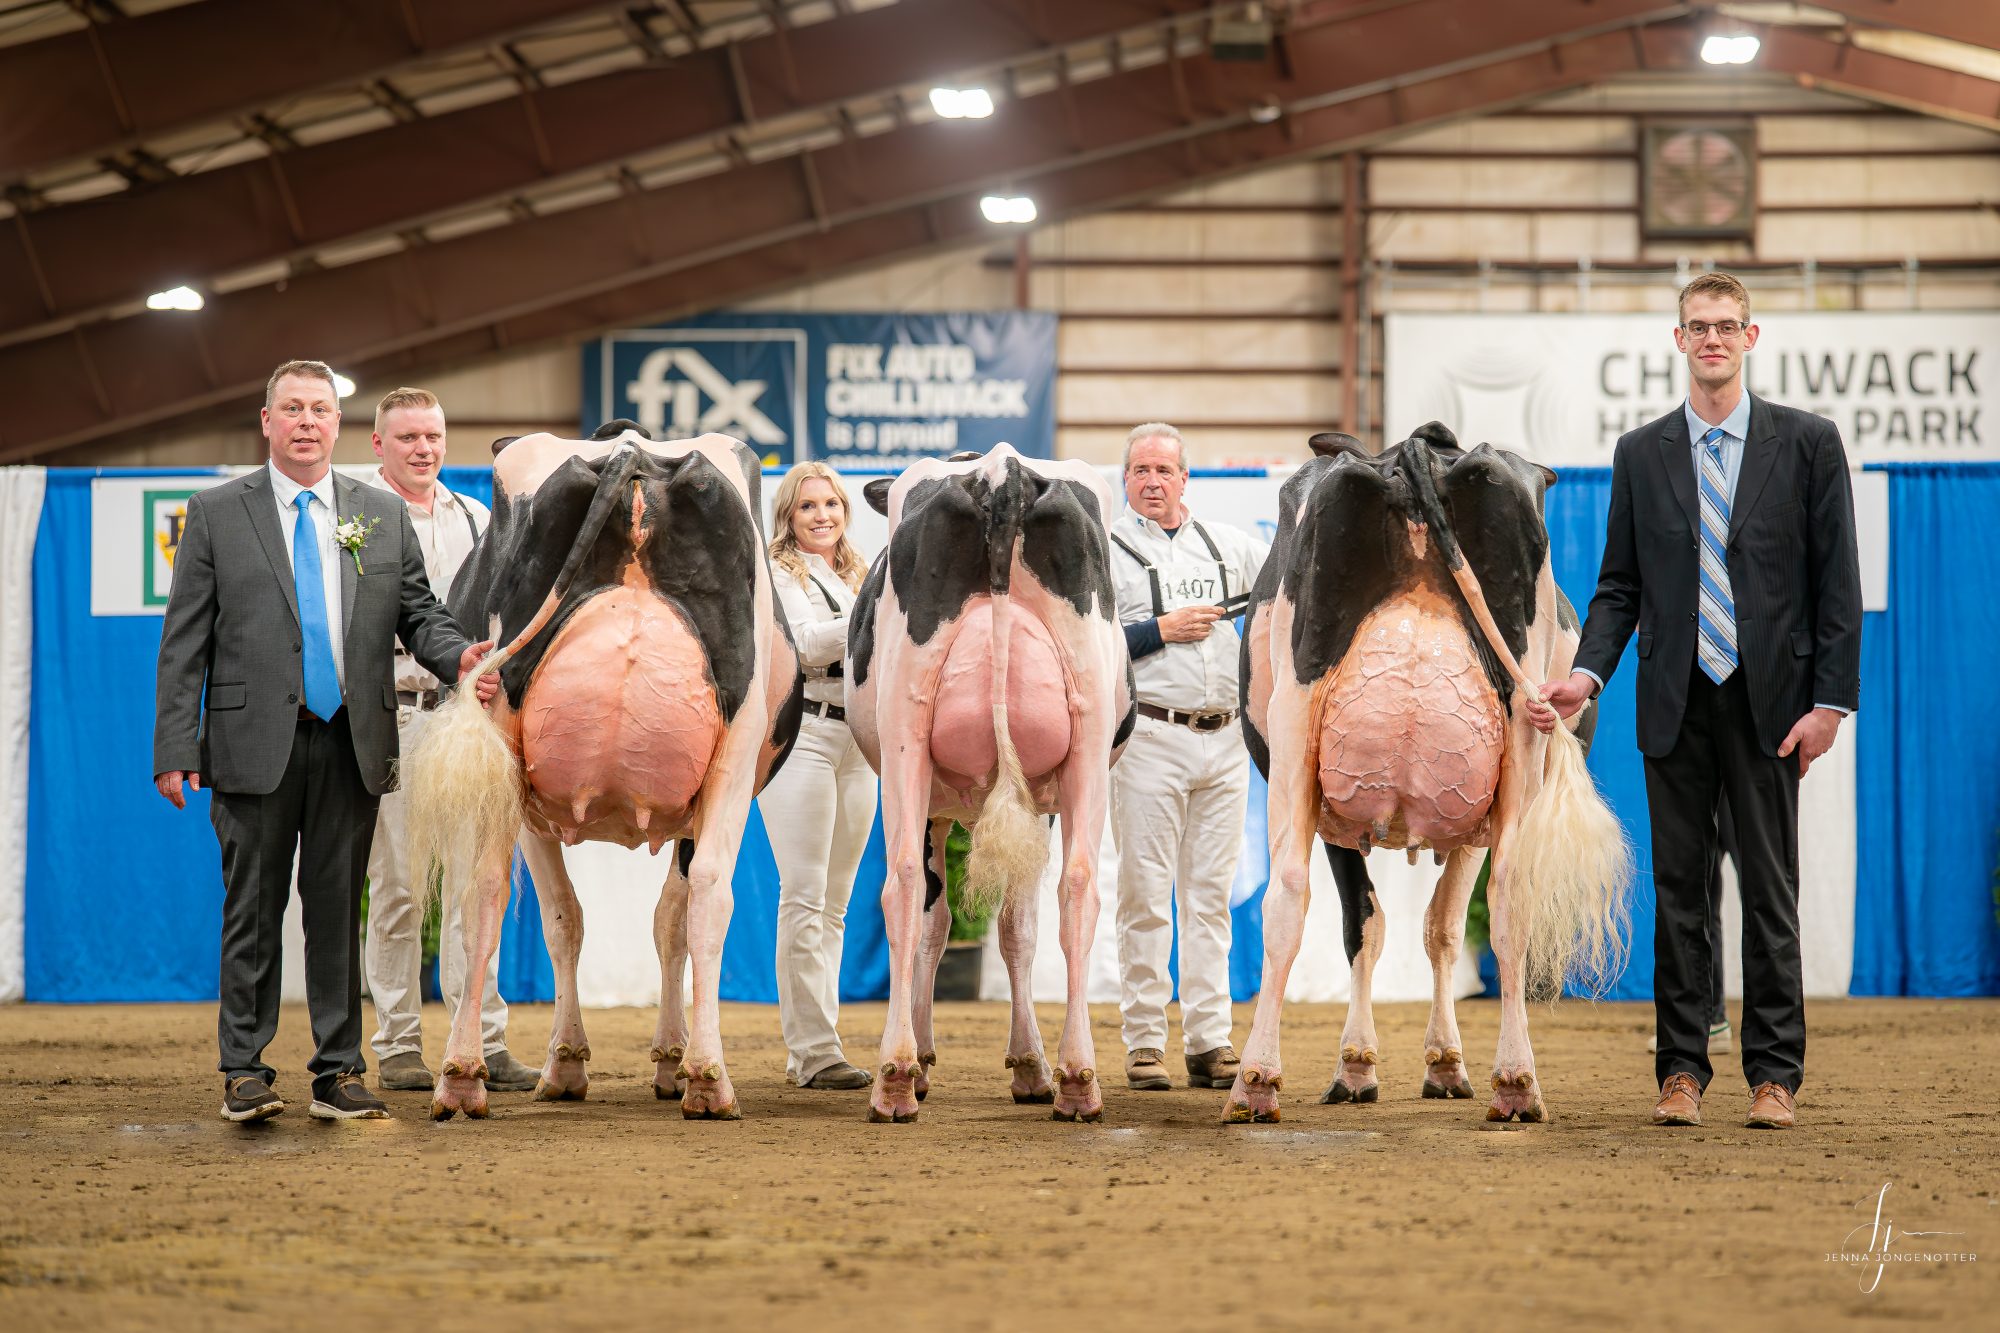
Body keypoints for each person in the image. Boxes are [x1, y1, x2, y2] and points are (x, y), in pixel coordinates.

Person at [1530, 273, 1861, 1131]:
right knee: (1679, 896)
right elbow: (1618, 586)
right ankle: (1680, 1071)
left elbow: (1837, 586)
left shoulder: (1810, 444)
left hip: (1771, 706)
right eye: (1697, 327)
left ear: (1752, 338)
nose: (1712, 339)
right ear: (1678, 341)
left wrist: (1830, 703)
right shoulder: (1641, 453)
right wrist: (1586, 674)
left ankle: (1775, 1076)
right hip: (1674, 702)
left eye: (1727, 326)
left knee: (1769, 893)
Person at [153, 360, 497, 1124]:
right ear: (267, 421)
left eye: (320, 409)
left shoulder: (376, 512)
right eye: (293, 408)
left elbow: (420, 612)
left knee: (339, 910)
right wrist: (176, 743)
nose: (307, 420)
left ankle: (339, 1070)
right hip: (249, 743)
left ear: (338, 427)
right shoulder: (213, 512)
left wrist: (461, 657)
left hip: (353, 741)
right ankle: (244, 1069)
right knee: (253, 910)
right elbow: (183, 644)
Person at [359, 388, 539, 1094]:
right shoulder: (355, 515)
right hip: (392, 712)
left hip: (468, 718)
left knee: (479, 885)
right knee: (398, 888)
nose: (424, 448)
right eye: (407, 437)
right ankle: (398, 1042)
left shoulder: (478, 518)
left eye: (433, 435)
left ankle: (484, 1038)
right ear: (379, 444)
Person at [1107, 423, 1267, 1092]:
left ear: (1184, 478)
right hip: (1148, 738)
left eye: (1164, 470)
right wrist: (1158, 630)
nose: (1152, 481)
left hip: (1224, 738)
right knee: (1145, 893)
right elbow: (1082, 645)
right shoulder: (1106, 552)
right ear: (1125, 480)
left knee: (1209, 896)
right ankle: (1145, 1042)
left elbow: (1288, 591)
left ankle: (1210, 1040)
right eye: (1140, 470)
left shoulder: (1231, 547)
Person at [761, 462, 877, 1090]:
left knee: (834, 904)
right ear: (788, 515)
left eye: (831, 504)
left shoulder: (858, 572)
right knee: (804, 895)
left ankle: (816, 1043)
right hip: (800, 731)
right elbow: (802, 645)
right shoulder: (778, 570)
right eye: (807, 506)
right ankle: (813, 1051)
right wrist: (878, 617)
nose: (822, 515)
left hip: (860, 734)